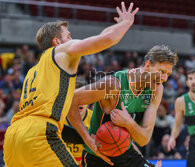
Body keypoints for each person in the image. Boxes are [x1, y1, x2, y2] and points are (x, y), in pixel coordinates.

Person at [3, 2, 139, 166]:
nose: (72, 40)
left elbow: (100, 36)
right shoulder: (61, 51)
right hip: (39, 133)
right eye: (68, 36)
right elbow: (106, 39)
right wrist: (126, 23)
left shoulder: (34, 71)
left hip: (13, 137)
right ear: (57, 41)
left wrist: (86, 139)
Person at [67, 45, 178, 167]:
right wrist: (87, 139)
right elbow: (71, 100)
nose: (164, 78)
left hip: (125, 152)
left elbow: (144, 139)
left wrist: (128, 122)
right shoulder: (112, 85)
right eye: (162, 71)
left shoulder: (157, 90)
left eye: (168, 73)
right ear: (147, 65)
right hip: (99, 155)